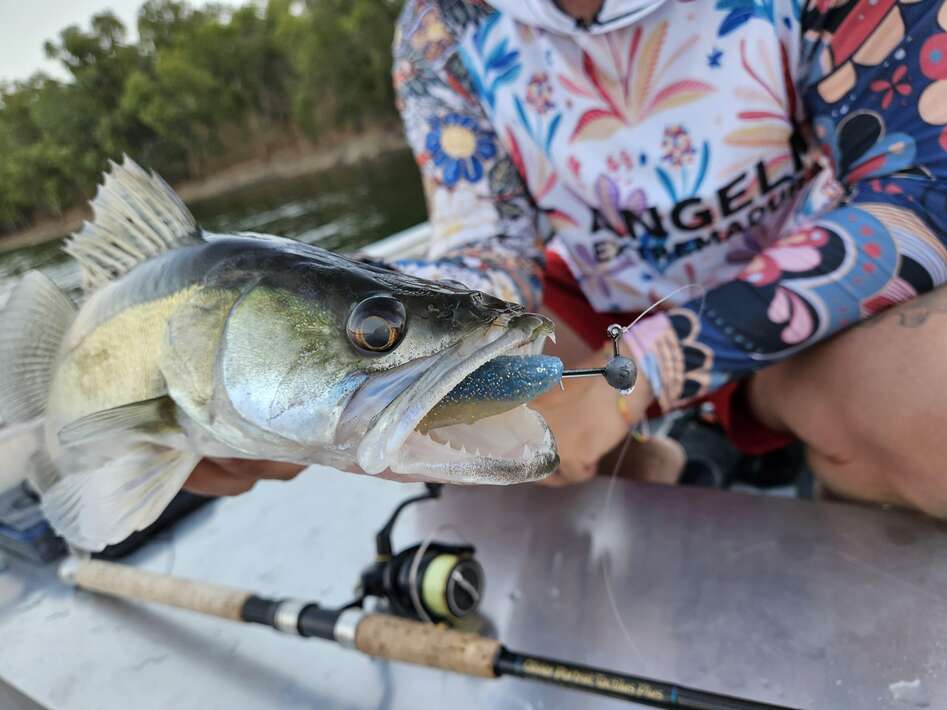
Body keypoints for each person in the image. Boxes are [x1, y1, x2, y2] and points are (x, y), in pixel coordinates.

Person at [188, 0, 947, 518]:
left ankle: (826, 466)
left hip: (811, 306)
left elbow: (920, 190)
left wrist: (646, 371)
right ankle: (657, 467)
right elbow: (484, 240)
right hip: (587, 323)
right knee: (458, 454)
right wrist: (326, 367)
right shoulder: (438, 27)